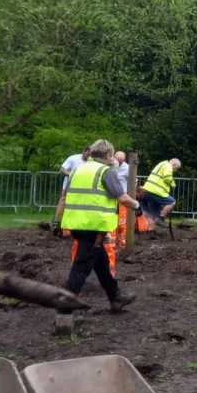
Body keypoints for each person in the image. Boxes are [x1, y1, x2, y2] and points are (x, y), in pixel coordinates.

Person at [59, 139, 142, 333]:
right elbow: (121, 197)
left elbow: (68, 194)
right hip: (93, 226)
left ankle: (115, 297)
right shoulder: (105, 172)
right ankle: (65, 311)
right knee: (81, 267)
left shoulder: (78, 170)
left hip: (76, 223)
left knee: (101, 262)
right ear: (107, 156)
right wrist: (138, 206)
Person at [51, 144, 91, 233]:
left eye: (90, 155)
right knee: (64, 201)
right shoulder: (73, 158)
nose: (88, 157)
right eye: (88, 154)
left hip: (83, 188)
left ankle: (74, 226)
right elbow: (62, 169)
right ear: (84, 151)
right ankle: (56, 222)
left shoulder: (91, 162)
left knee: (79, 206)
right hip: (69, 186)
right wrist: (71, 175)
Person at [140, 158, 181, 229]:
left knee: (152, 213)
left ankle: (151, 232)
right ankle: (161, 219)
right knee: (172, 202)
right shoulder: (168, 166)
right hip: (156, 191)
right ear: (174, 164)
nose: (175, 170)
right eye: (176, 168)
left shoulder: (161, 164)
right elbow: (167, 178)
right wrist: (173, 184)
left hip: (147, 191)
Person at [113, 151, 130, 248]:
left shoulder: (127, 168)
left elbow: (132, 182)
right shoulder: (108, 165)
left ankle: (122, 243)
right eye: (117, 161)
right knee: (111, 220)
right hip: (110, 198)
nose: (118, 163)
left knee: (122, 221)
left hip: (122, 198)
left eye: (120, 162)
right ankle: (110, 241)